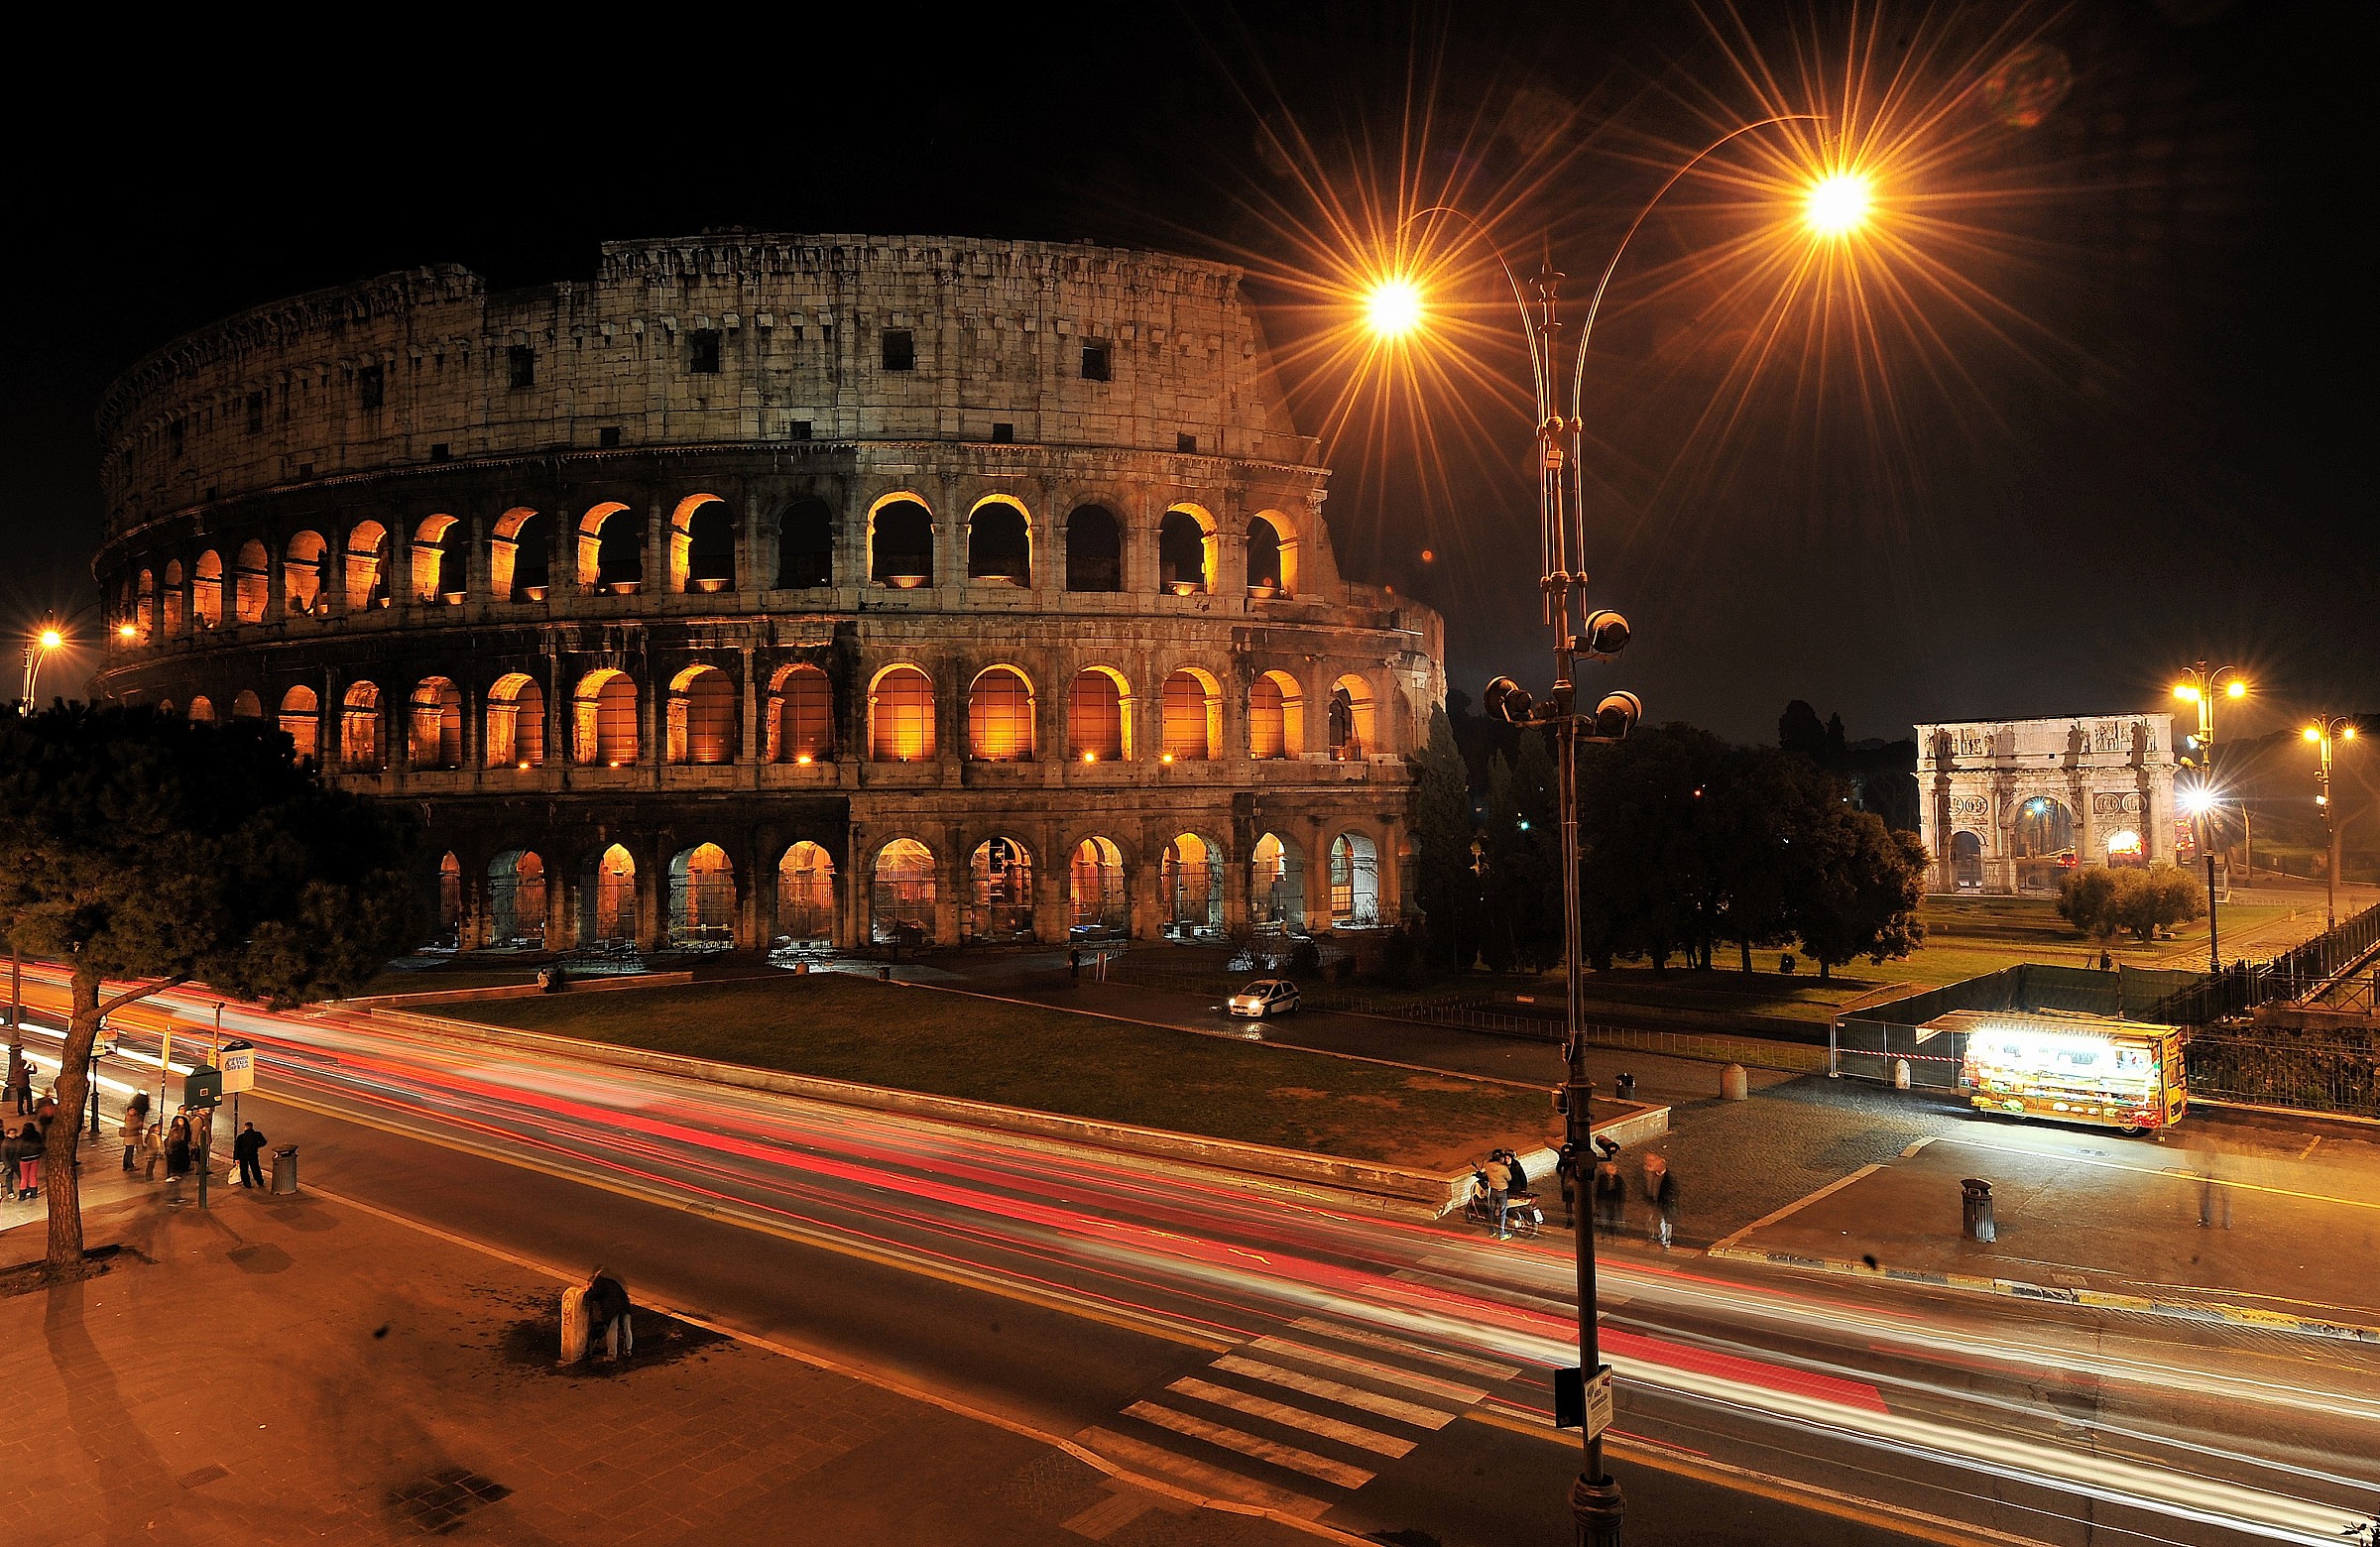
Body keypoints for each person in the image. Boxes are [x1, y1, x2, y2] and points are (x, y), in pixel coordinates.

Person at [585, 1268, 634, 1361]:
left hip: (612, 1309)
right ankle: (628, 1351)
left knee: (612, 1330)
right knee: (626, 1329)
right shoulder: (613, 1281)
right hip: (625, 1306)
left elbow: (594, 1295)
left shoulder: (599, 1281)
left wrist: (589, 1290)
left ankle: (612, 1355)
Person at [1482, 1151, 1512, 1240]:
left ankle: (1492, 1230)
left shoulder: (1488, 1165)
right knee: (1503, 1211)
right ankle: (1502, 1233)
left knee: (1491, 1210)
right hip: (1502, 1191)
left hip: (1493, 1190)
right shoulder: (1503, 1168)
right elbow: (1509, 1178)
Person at [120, 1092, 151, 1173]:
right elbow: (129, 1127)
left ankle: (125, 1165)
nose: (133, 1111)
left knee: (128, 1151)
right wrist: (138, 1125)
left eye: (134, 1110)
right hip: (130, 1136)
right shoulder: (129, 1118)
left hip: (133, 1136)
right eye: (131, 1110)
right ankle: (130, 1165)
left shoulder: (136, 1116)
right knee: (129, 1152)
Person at [165, 1116, 193, 1201]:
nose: (181, 1122)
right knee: (176, 1182)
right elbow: (171, 1141)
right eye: (179, 1120)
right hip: (176, 1153)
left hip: (182, 1153)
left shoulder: (186, 1130)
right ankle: (173, 1198)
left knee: (180, 1179)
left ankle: (176, 1197)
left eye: (182, 1120)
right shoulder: (174, 1130)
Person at [232, 1123, 269, 1189]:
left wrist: (236, 1158)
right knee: (255, 1168)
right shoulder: (257, 1134)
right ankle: (259, 1181)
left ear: (245, 1127)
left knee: (244, 1170)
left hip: (243, 1155)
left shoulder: (241, 1137)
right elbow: (264, 1142)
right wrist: (257, 1146)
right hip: (253, 1154)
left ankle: (247, 1184)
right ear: (252, 1127)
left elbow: (237, 1148)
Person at [12, 1121, 41, 1200]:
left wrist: (18, 1157)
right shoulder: (37, 1135)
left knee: (24, 1177)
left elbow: (18, 1149)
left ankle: (22, 1195)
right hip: (35, 1157)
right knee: (33, 1176)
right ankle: (34, 1194)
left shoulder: (21, 1138)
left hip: (24, 1159)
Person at [1653, 1164, 1680, 1250]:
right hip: (1661, 1203)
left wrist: (1669, 1200)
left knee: (1668, 1223)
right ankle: (1662, 1238)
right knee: (1661, 1221)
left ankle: (1667, 1241)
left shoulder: (1668, 1178)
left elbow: (1674, 1191)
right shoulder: (1658, 1176)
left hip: (1668, 1204)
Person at [139, 1114, 166, 1180]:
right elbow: (153, 1145)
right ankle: (148, 1176)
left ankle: (150, 1176)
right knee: (150, 1165)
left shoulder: (156, 1136)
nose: (159, 1129)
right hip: (152, 1153)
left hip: (154, 1152)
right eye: (157, 1128)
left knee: (152, 1165)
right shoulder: (152, 1136)